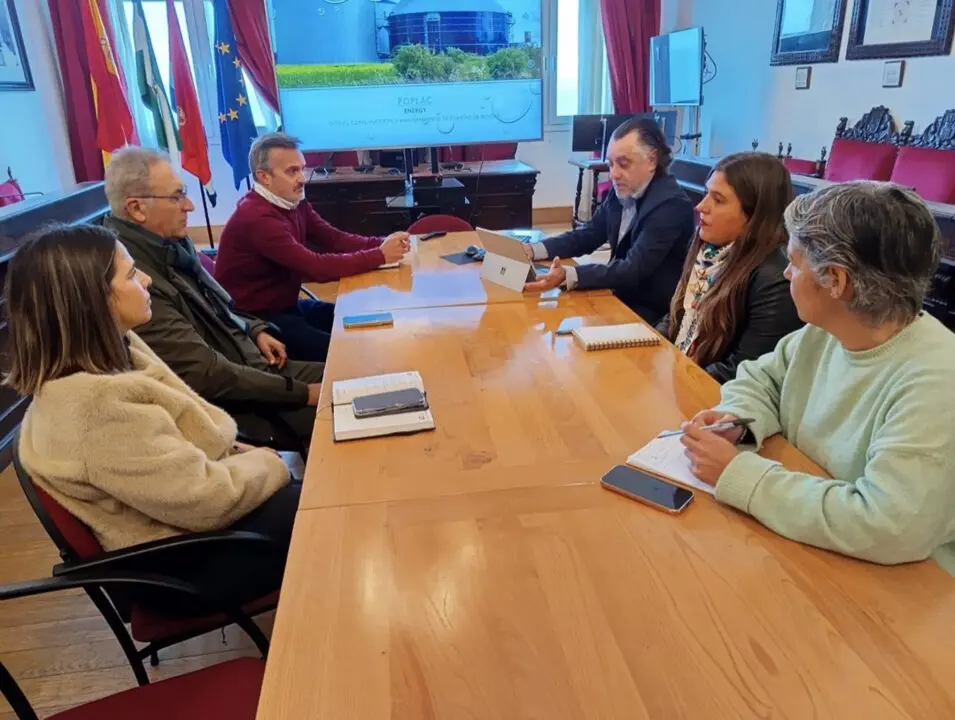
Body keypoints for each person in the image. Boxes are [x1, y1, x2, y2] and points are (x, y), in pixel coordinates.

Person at [8, 224, 297, 614]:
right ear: (91, 301)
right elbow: (204, 500)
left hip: (191, 532)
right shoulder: (95, 409)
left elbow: (178, 442)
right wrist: (266, 462)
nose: (145, 279)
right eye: (130, 275)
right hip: (182, 571)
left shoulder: (117, 350)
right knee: (323, 511)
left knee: (318, 501)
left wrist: (236, 452)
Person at [680, 181, 955, 574]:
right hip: (813, 544)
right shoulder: (827, 331)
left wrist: (736, 473)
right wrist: (736, 421)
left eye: (795, 262)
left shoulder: (937, 382)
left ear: (836, 281)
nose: (786, 272)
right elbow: (763, 380)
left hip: (901, 585)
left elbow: (891, 525)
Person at [103, 147, 325, 451]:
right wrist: (303, 393)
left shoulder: (171, 245)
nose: (190, 206)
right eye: (177, 197)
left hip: (255, 367)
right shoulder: (135, 280)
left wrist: (254, 328)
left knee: (354, 371)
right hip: (241, 404)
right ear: (137, 208)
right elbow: (208, 375)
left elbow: (221, 305)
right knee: (348, 392)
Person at [214, 133, 411, 362]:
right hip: (257, 319)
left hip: (287, 306)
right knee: (351, 352)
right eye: (292, 171)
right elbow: (316, 267)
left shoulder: (292, 202)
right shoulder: (257, 218)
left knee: (364, 320)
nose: (302, 178)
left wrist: (382, 243)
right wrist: (380, 255)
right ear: (264, 176)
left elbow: (334, 239)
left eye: (302, 169)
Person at [523, 117, 695, 324]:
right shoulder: (624, 189)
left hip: (649, 311)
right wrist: (533, 250)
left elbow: (633, 269)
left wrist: (569, 274)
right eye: (611, 164)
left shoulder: (670, 205)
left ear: (652, 160)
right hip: (618, 293)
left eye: (623, 164)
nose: (614, 174)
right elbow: (588, 235)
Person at [656, 152, 803, 383]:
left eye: (718, 200)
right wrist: (651, 349)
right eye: (706, 194)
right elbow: (677, 315)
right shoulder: (707, 249)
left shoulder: (775, 278)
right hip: (683, 374)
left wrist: (678, 376)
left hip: (714, 392)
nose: (701, 206)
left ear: (754, 214)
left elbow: (742, 370)